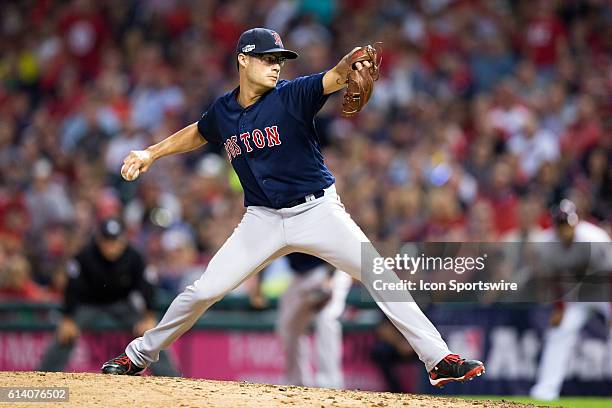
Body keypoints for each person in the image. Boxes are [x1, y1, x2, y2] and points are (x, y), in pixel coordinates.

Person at [101, 27, 485, 387]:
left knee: (378, 273)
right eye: (267, 58)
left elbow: (333, 77)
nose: (275, 65)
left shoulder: (292, 95)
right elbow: (199, 133)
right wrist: (151, 152)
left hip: (318, 211)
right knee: (203, 291)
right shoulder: (223, 111)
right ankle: (138, 355)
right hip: (262, 220)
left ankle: (437, 359)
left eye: (279, 60)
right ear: (243, 61)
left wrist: (351, 61)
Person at [39, 218, 179, 376]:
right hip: (89, 305)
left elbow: (147, 287)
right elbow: (72, 289)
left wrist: (149, 316)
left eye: (115, 241)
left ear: (123, 239)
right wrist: (68, 318)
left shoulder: (134, 257)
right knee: (65, 333)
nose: (111, 246)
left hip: (122, 304)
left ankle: (171, 377)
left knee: (150, 333)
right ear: (99, 239)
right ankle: (44, 376)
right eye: (107, 240)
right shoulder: (85, 256)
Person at [529, 200, 611, 400]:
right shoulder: (546, 244)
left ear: (576, 223)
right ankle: (544, 392)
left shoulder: (595, 238)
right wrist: (559, 308)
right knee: (559, 332)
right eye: (561, 226)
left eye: (568, 225)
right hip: (575, 294)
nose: (565, 230)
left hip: (603, 290)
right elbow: (554, 278)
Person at [274, 253, 352, 388]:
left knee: (327, 319)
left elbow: (335, 244)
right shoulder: (277, 231)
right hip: (302, 275)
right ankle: (296, 383)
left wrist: (329, 277)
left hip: (333, 268)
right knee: (288, 326)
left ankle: (330, 384)